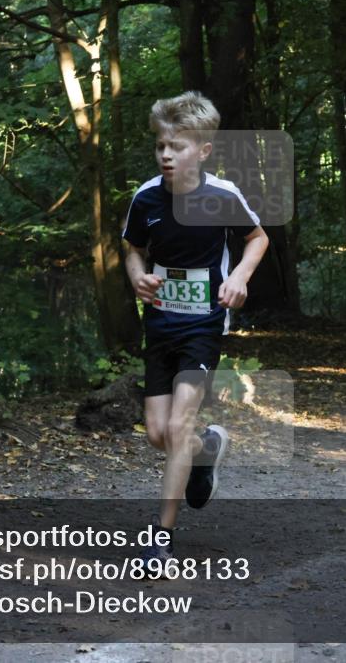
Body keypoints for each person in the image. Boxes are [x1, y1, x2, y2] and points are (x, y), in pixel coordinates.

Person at [122, 92, 269, 568]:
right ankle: (206, 449)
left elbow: (257, 237)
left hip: (204, 324)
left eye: (177, 146)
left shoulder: (223, 197)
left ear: (203, 151)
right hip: (160, 322)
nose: (166, 154)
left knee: (179, 422)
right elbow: (131, 249)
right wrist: (137, 277)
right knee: (159, 434)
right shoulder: (146, 198)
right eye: (161, 145)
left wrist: (239, 277)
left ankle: (159, 539)